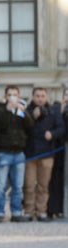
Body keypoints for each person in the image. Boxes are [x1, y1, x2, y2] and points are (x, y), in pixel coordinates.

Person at [0, 85, 34, 222]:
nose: (12, 97)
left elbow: (30, 126)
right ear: (5, 97)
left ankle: (16, 212)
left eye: (14, 94)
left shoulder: (21, 110)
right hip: (3, 152)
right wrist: (7, 112)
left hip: (19, 153)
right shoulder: (0, 109)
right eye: (9, 95)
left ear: (18, 96)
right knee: (0, 186)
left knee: (18, 186)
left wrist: (24, 112)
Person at [23, 87, 66, 221]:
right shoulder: (27, 111)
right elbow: (23, 129)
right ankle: (28, 212)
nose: (40, 98)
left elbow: (61, 128)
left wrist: (52, 134)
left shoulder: (54, 111)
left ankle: (42, 211)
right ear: (33, 97)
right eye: (37, 96)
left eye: (42, 96)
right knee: (29, 185)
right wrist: (33, 118)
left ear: (46, 97)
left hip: (47, 154)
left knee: (43, 185)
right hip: (31, 154)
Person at [48, 87, 68, 218]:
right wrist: (61, 112)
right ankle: (55, 208)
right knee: (56, 180)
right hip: (59, 150)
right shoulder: (56, 109)